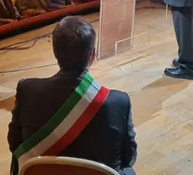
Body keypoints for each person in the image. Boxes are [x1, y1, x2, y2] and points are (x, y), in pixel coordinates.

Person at [8, 17, 137, 175]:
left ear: (55, 52)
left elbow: (14, 145)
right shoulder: (118, 102)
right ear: (93, 55)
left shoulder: (26, 90)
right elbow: (128, 157)